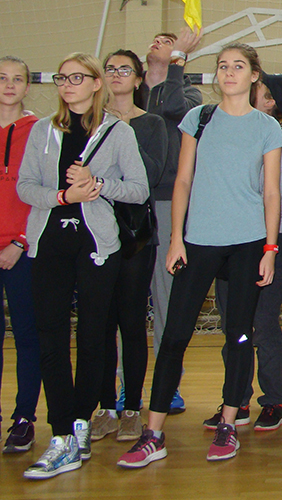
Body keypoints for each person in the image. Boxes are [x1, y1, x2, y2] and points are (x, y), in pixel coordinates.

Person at [117, 43, 282, 467]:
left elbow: (270, 193)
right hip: (199, 242)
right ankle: (153, 433)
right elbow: (183, 181)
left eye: (238, 66)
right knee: (174, 335)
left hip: (248, 243)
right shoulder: (199, 117)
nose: (229, 72)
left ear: (254, 75)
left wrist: (270, 248)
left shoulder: (268, 127)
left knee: (239, 335)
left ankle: (229, 423)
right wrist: (177, 237)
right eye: (223, 66)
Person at [18, 53, 148, 479]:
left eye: (78, 77)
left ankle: (79, 422)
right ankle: (60, 435)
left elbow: (138, 189)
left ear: (96, 84)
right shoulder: (42, 130)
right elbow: (25, 187)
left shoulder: (118, 132)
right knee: (50, 337)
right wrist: (61, 197)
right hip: (48, 245)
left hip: (97, 247)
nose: (68, 84)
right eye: (62, 78)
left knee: (93, 337)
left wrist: (98, 185)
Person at [202, 73, 282, 433]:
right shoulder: (232, 129)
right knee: (233, 324)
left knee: (263, 322)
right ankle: (236, 398)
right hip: (230, 237)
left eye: (260, 91)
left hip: (269, 238)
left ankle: (273, 399)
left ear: (272, 102)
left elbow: (260, 189)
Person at [91, 51, 167, 444]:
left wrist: (122, 135)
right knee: (99, 323)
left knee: (132, 322)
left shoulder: (151, 123)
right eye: (110, 69)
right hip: (93, 233)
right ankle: (105, 407)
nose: (117, 75)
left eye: (125, 69)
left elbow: (150, 174)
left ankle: (133, 408)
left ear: (138, 79)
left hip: (135, 235)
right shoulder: (90, 124)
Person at [145, 28, 203, 416]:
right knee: (124, 303)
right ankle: (123, 383)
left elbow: (171, 109)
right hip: (123, 205)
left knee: (166, 301)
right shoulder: (129, 90)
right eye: (157, 39)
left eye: (169, 40)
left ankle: (169, 385)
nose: (160, 42)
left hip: (167, 204)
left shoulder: (191, 96)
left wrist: (177, 61)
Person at [0, 56, 40, 454]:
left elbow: (44, 193)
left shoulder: (39, 131)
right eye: (2, 78)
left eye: (17, 79)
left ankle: (24, 418)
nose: (9, 85)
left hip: (23, 252)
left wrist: (21, 242)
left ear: (28, 87)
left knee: (28, 335)